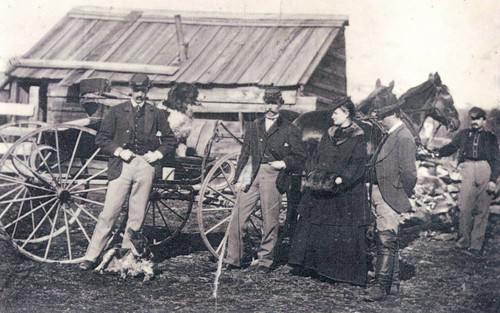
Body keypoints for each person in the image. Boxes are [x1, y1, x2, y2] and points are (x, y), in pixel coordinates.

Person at [80, 73, 177, 270]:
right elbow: (102, 139)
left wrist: (157, 154)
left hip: (145, 166)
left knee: (137, 215)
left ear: (147, 91)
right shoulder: (116, 112)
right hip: (122, 165)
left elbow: (170, 140)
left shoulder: (156, 114)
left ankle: (125, 258)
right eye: (136, 90)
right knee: (109, 212)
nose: (139, 94)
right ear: (130, 90)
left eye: (143, 90)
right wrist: (119, 151)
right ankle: (91, 256)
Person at [288, 97, 371, 286]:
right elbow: (316, 156)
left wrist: (343, 179)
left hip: (344, 191)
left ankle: (337, 271)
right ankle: (313, 265)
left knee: (339, 226)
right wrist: (313, 173)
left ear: (346, 113)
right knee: (314, 221)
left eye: (335, 113)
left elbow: (358, 164)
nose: (332, 116)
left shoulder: (358, 136)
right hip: (323, 186)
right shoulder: (329, 133)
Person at [224, 87, 307, 272]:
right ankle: (233, 258)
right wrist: (239, 178)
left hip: (273, 175)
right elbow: (245, 154)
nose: (270, 107)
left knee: (270, 220)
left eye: (274, 104)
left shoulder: (289, 129)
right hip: (252, 174)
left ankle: (265, 261)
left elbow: (301, 156)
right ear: (264, 104)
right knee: (238, 217)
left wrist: (284, 163)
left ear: (280, 105)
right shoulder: (254, 126)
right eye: (268, 103)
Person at [364, 104, 417, 301]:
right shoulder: (390, 134)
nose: (380, 120)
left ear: (394, 114)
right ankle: (392, 283)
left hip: (391, 194)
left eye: (383, 116)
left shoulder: (404, 137)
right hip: (382, 191)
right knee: (388, 238)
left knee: (385, 238)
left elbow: (409, 173)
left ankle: (380, 286)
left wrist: (401, 193)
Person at [433, 106, 499, 257]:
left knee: (482, 209)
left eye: (477, 119)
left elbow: (497, 160)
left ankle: (476, 246)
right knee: (464, 207)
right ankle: (463, 241)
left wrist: (493, 180)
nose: (474, 122)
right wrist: (437, 152)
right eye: (472, 119)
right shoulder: (463, 134)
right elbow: (451, 147)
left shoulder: (490, 137)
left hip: (485, 168)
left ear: (483, 120)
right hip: (468, 168)